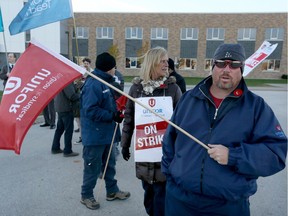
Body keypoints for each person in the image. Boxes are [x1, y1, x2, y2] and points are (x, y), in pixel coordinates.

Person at [161, 43, 287, 216]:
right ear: (213, 66)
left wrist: (233, 156)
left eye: (234, 64)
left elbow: (275, 154)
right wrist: (171, 178)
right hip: (180, 202)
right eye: (221, 63)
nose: (226, 69)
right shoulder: (189, 99)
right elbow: (169, 142)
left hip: (228, 205)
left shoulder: (256, 107)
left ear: (241, 69)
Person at [121, 47, 182, 216]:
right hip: (145, 154)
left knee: (162, 198)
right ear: (152, 63)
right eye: (162, 61)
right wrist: (124, 144)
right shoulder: (136, 89)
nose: (167, 64)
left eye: (167, 60)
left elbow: (183, 121)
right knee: (149, 196)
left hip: (166, 153)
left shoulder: (173, 89)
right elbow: (129, 119)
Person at [80, 52, 130, 210]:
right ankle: (86, 195)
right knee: (92, 166)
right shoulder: (93, 84)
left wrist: (116, 113)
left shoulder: (105, 81)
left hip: (107, 133)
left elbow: (109, 103)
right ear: (110, 68)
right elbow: (90, 110)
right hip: (95, 135)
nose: (116, 70)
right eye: (114, 67)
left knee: (110, 163)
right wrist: (111, 115)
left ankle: (112, 191)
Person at [51, 82, 80, 157]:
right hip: (66, 108)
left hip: (60, 107)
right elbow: (72, 96)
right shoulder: (67, 83)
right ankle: (67, 150)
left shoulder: (61, 81)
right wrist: (82, 95)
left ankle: (55, 147)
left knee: (59, 129)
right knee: (68, 130)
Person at [74, 57, 93, 143]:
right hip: (79, 98)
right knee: (79, 119)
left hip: (87, 98)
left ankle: (87, 135)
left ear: (89, 64)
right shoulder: (80, 71)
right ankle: (81, 136)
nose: (85, 65)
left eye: (87, 63)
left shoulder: (92, 73)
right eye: (84, 63)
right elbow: (76, 84)